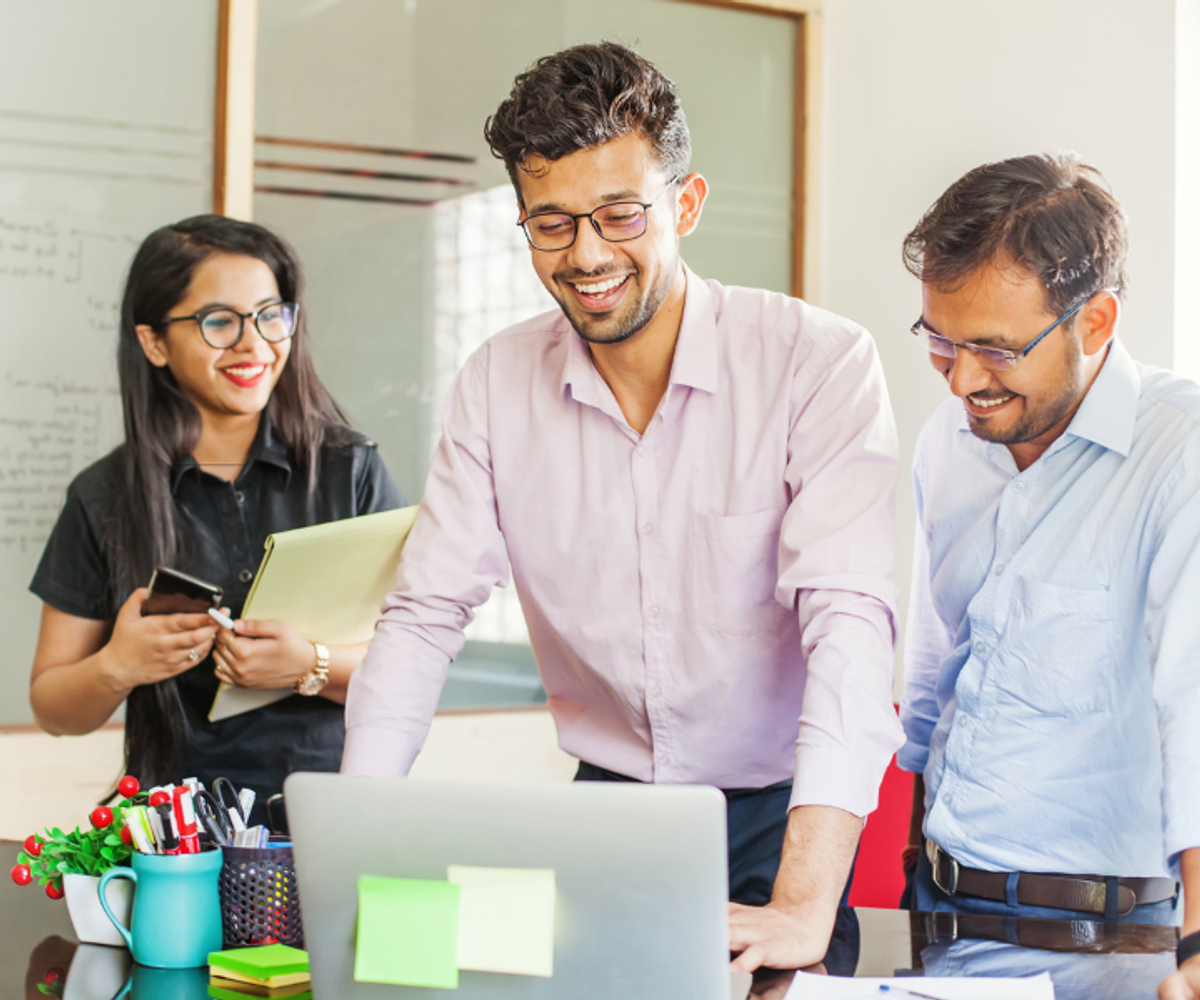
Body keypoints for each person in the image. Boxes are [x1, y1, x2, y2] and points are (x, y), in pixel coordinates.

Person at [341, 42, 903, 971]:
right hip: (604, 811)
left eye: (620, 215)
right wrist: (355, 848)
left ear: (686, 204)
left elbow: (850, 627)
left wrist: (803, 902)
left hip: (778, 817)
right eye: (552, 224)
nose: (588, 254)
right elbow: (424, 616)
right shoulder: (496, 383)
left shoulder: (814, 362)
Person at [895, 153, 1200, 997]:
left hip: (1111, 955)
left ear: (1095, 321)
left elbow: (1196, 708)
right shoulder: (949, 441)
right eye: (940, 341)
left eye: (996, 349)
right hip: (942, 926)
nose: (963, 380)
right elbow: (935, 682)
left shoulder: (1181, 456)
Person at [28, 214, 404, 824]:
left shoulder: (350, 469)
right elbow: (52, 708)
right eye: (220, 321)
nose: (254, 344)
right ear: (154, 342)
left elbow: (413, 664)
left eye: (269, 315)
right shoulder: (102, 496)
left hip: (334, 819)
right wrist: (118, 665)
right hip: (175, 837)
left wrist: (309, 664)